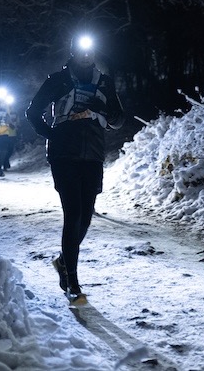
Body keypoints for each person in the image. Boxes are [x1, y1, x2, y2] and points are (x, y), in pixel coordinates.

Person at [25, 35, 125, 301]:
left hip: (93, 155)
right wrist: (52, 134)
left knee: (86, 216)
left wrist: (99, 108)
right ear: (73, 53)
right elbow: (33, 112)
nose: (86, 56)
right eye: (81, 51)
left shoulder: (104, 81)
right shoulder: (58, 80)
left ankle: (63, 261)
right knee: (73, 214)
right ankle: (73, 282)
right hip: (64, 155)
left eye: (90, 51)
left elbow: (118, 120)